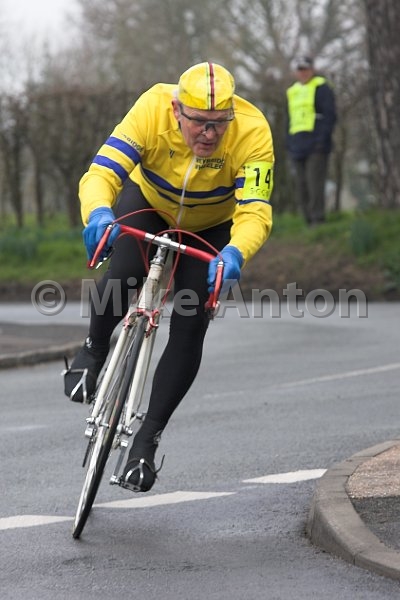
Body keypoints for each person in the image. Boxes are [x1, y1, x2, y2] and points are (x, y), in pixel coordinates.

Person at [64, 62, 274, 492]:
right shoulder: (152, 107)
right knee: (125, 273)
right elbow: (103, 172)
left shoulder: (253, 130)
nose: (209, 134)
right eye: (199, 122)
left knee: (192, 320)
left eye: (219, 123)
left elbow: (255, 210)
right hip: (150, 202)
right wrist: (99, 213)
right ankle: (94, 348)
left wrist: (235, 251)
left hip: (212, 225)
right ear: (177, 110)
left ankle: (147, 439)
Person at [286, 55, 336, 225]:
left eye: (306, 69)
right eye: (300, 69)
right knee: (301, 185)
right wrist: (289, 143)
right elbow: (289, 119)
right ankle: (307, 220)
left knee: (315, 184)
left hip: (316, 145)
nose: (303, 73)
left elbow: (330, 116)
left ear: (312, 69)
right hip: (297, 144)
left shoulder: (322, 87)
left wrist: (321, 141)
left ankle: (318, 220)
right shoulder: (292, 91)